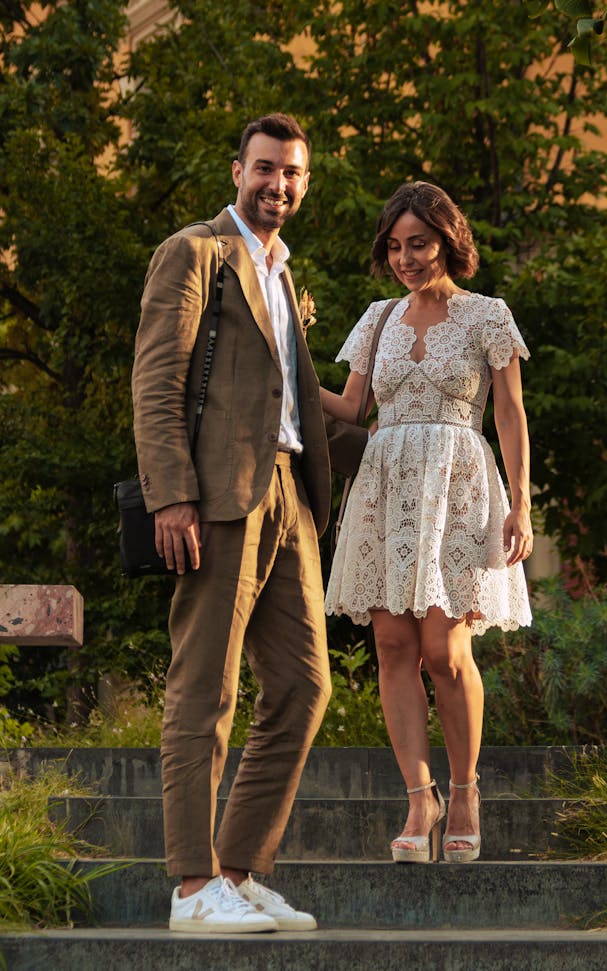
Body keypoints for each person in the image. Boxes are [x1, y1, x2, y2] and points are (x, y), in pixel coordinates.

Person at [132, 113, 365, 932]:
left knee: (304, 686)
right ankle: (193, 888)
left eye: (293, 173)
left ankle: (237, 868)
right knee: (206, 686)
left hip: (290, 496)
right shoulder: (196, 252)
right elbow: (157, 380)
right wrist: (171, 493)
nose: (279, 184)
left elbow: (298, 400)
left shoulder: (284, 270)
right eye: (265, 168)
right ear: (238, 170)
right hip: (220, 493)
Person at [321, 181, 533, 864]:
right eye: (396, 246)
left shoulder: (486, 317)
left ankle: (465, 790)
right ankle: (420, 797)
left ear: (447, 240)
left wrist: (522, 501)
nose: (406, 257)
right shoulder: (378, 317)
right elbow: (352, 408)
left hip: (460, 486)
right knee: (392, 647)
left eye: (419, 243)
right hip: (385, 487)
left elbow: (509, 414)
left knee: (445, 651)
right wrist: (280, 369)